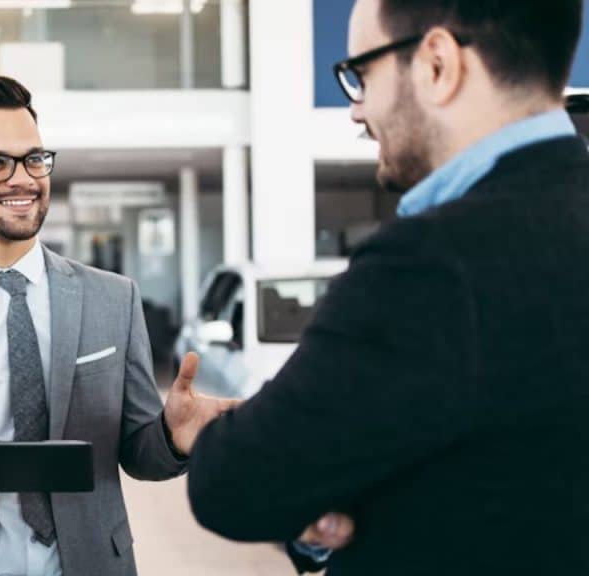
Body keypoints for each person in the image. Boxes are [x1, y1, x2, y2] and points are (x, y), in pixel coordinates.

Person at [187, 0, 589, 574]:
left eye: (362, 73)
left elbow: (232, 482)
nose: (356, 109)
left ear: (438, 64)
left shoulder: (433, 261)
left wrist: (332, 494)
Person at [0, 76, 236, 576]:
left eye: (34, 159)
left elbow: (139, 454)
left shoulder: (113, 299)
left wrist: (171, 436)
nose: (23, 179)